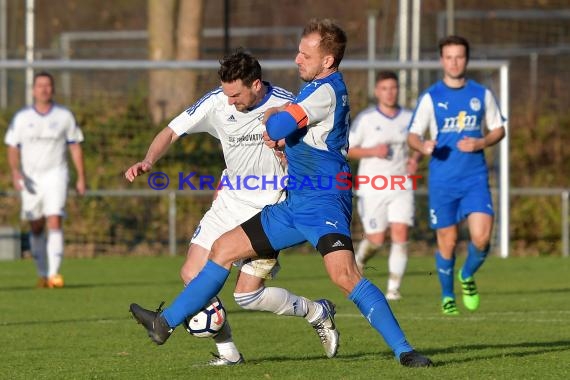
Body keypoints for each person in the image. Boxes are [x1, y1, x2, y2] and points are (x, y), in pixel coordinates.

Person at [130, 19, 432, 368]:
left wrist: (275, 117)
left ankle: (404, 350)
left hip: (323, 201)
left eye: (305, 54)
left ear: (328, 61)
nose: (296, 59)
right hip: (292, 204)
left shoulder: (326, 91)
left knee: (344, 275)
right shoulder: (310, 89)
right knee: (223, 249)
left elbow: (278, 125)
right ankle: (163, 323)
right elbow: (286, 133)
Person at [125, 50, 339, 365]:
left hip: (268, 210)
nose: (230, 101)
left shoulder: (286, 104)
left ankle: (316, 311)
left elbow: (311, 147)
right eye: (226, 94)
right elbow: (172, 131)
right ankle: (229, 353)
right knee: (190, 273)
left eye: (236, 94)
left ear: (256, 85)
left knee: (247, 296)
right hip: (228, 202)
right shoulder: (216, 101)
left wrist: (288, 157)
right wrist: (148, 160)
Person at [407, 35, 506, 315]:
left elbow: (499, 129)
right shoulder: (431, 97)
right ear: (442, 61)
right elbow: (412, 135)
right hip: (443, 181)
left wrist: (481, 142)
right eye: (449, 57)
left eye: (459, 56)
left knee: (482, 238)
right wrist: (423, 145)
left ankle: (466, 275)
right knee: (447, 242)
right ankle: (448, 295)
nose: (454, 62)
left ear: (466, 59)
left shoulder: (481, 94)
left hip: (475, 178)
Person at [4, 71, 86, 288]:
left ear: (53, 89)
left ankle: (54, 274)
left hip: (56, 175)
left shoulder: (64, 116)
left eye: (48, 85)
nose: (44, 89)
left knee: (54, 219)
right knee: (36, 226)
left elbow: (75, 146)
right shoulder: (22, 118)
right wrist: (15, 171)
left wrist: (81, 178)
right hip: (30, 179)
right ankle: (42, 273)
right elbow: (12, 147)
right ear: (33, 90)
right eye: (40, 85)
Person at [347, 71, 422, 301]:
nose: (390, 92)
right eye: (385, 88)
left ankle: (393, 289)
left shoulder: (409, 117)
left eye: (393, 88)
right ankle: (359, 260)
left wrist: (414, 160)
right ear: (377, 92)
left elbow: (418, 144)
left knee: (400, 233)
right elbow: (347, 149)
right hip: (373, 187)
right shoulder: (367, 119)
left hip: (401, 184)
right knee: (376, 240)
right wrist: (372, 151)